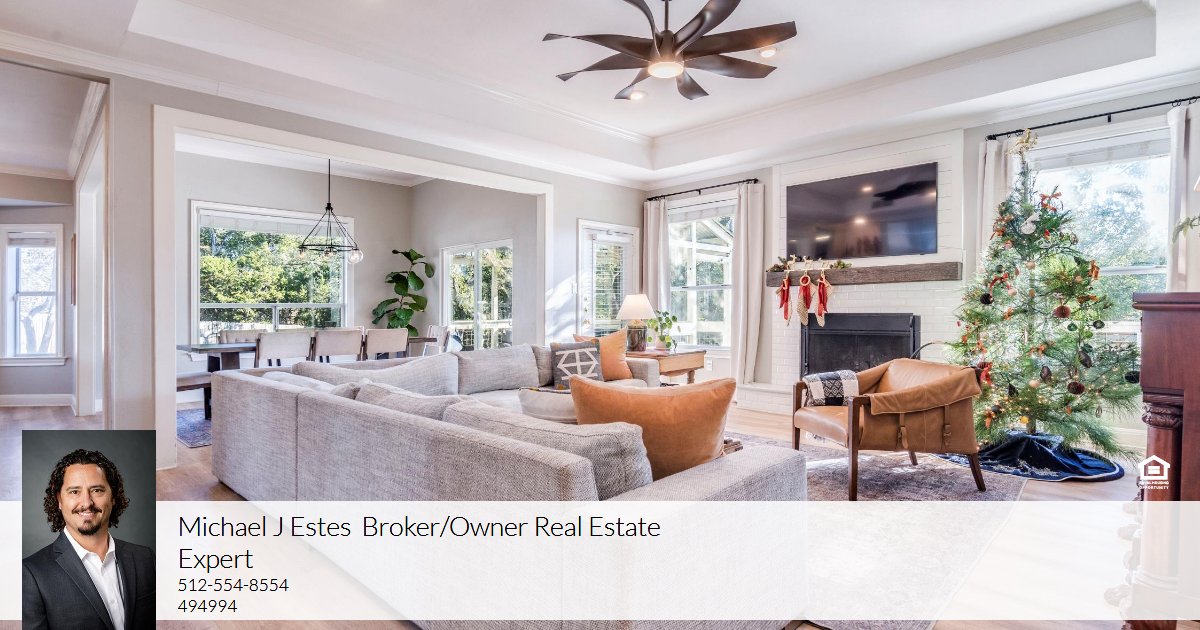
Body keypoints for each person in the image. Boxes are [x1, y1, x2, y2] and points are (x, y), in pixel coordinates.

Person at [22, 449, 154, 630]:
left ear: (113, 497)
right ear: (59, 500)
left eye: (97, 490)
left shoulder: (145, 558)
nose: (86, 503)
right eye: (74, 492)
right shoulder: (31, 574)